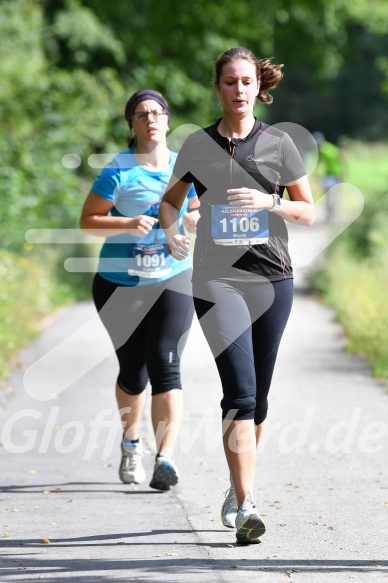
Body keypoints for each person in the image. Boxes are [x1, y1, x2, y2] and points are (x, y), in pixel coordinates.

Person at [159, 48, 314, 542]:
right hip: (214, 277)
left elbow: (308, 211)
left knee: (260, 396)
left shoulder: (279, 143)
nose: (240, 90)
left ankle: (236, 483)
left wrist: (272, 202)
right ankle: (248, 506)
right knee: (241, 391)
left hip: (272, 280)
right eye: (230, 82)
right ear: (218, 87)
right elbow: (170, 201)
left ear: (258, 87)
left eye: (247, 82)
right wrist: (170, 229)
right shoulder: (198, 146)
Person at [80, 89, 199, 491]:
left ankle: (164, 457)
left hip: (173, 276)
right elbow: (89, 220)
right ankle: (132, 444)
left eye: (157, 112)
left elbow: (194, 208)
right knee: (134, 373)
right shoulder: (118, 170)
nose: (150, 119)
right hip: (119, 284)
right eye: (141, 114)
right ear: (131, 123)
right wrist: (126, 224)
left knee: (167, 365)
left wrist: (194, 222)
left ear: (167, 120)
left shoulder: (184, 166)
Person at [313, 131, 343, 222]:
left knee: (331, 196)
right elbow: (319, 162)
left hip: (335, 175)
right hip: (328, 175)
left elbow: (340, 161)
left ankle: (332, 216)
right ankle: (330, 216)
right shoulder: (323, 150)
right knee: (328, 196)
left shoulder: (328, 150)